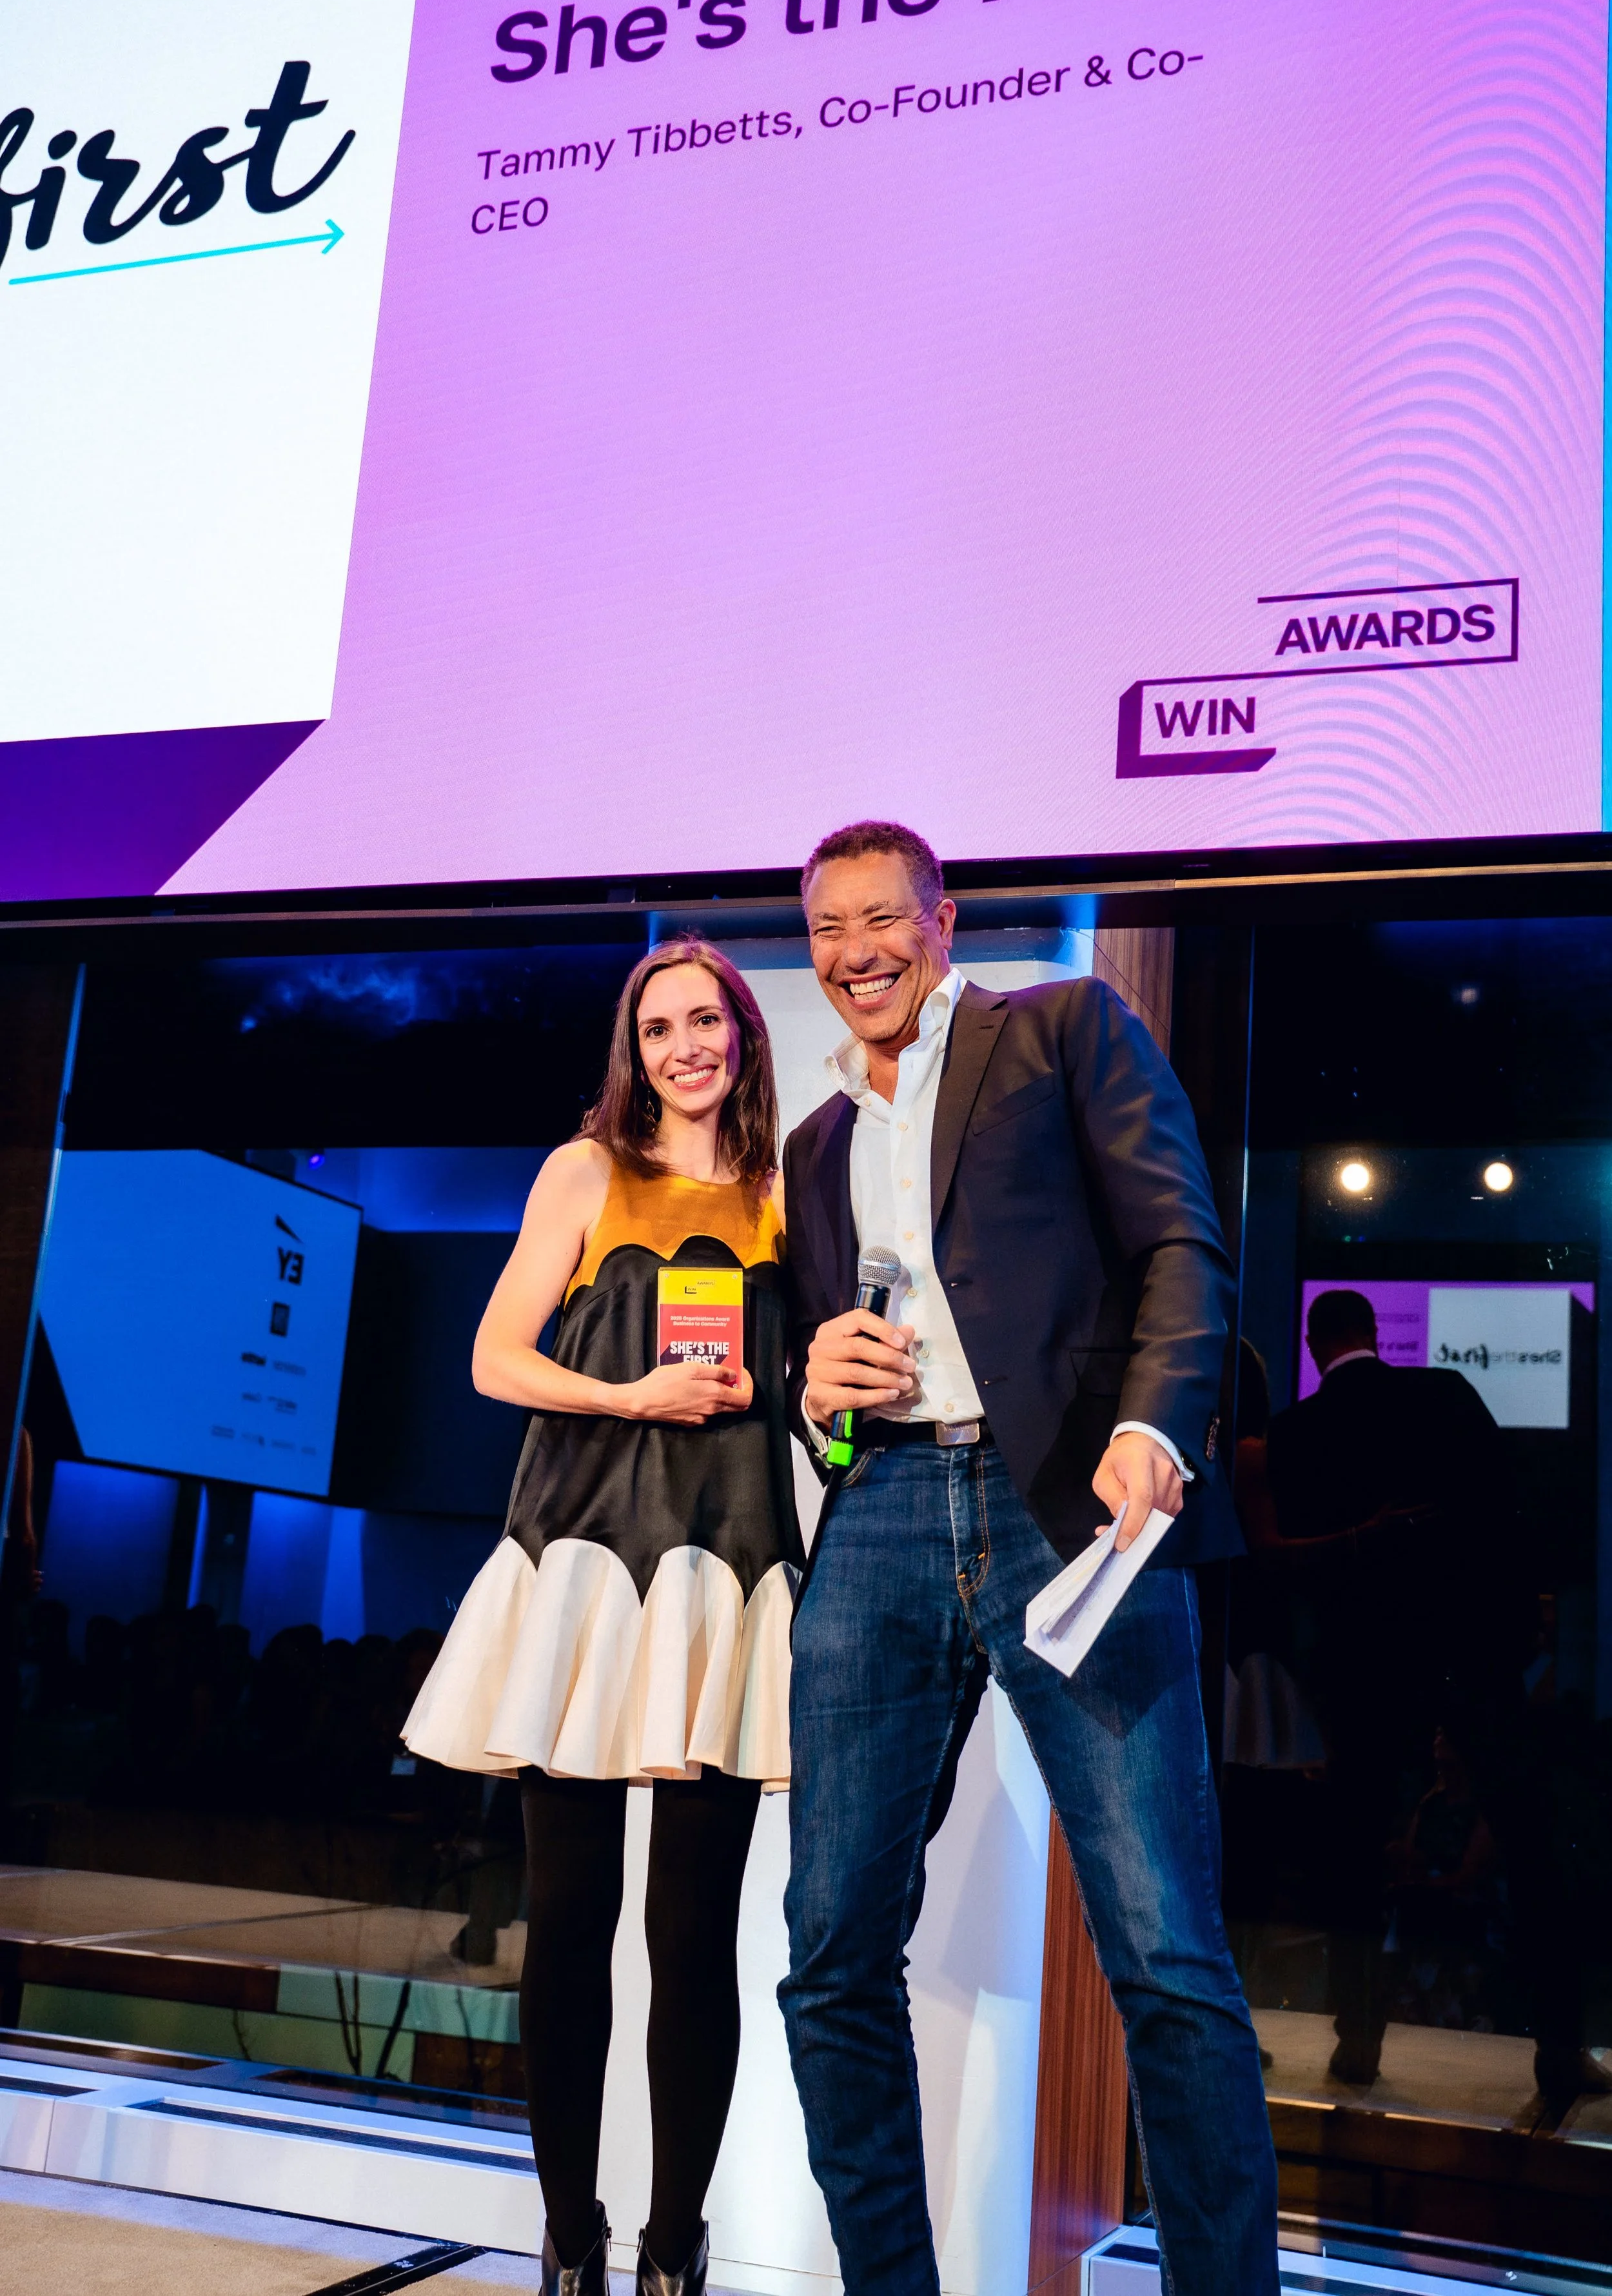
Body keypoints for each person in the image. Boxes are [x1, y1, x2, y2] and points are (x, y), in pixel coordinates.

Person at [777, 820, 1277, 2296]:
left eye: (881, 916)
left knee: (1166, 1948)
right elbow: (821, 1382)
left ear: (943, 917)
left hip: (1064, 1503)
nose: (854, 949)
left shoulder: (1061, 1026)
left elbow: (1184, 1241)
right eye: (825, 928)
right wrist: (817, 1395)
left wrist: (1158, 1427)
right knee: (828, 1951)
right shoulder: (814, 1145)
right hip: (876, 1518)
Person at [404, 938, 802, 2296]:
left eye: (705, 1020)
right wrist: (635, 1396)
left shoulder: (786, 1191)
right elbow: (492, 1356)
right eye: (656, 1028)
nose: (682, 1045)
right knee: (568, 1922)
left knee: (693, 1940)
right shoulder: (585, 1172)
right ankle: (569, 2238)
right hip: (580, 1571)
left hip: (729, 1568)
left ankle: (673, 2250)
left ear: (743, 1035)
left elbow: (818, 1392)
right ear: (630, 1054)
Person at [1264, 1287, 1515, 2085]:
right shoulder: (1442, 1393)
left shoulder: (1295, 1432)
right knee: (1517, 1823)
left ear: (1312, 1345)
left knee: (1354, 1848)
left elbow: (1294, 1563)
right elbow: (1500, 1507)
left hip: (1358, 1663)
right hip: (1460, 1648)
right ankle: (1555, 2051)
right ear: (1375, 1333)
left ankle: (1357, 2032)